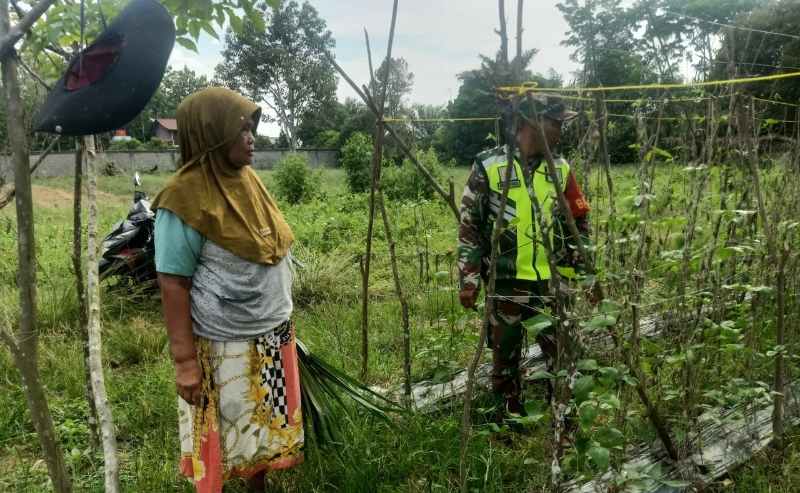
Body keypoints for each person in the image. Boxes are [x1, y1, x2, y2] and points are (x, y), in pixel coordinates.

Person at [152, 87, 303, 493]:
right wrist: (185, 362)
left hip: (272, 335)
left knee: (264, 431)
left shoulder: (248, 181)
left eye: (252, 128)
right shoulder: (183, 198)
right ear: (212, 133)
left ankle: (258, 487)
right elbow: (173, 281)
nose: (251, 138)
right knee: (223, 433)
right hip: (223, 346)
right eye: (241, 130)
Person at [457, 96, 591, 420]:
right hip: (505, 282)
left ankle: (563, 421)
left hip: (552, 282)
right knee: (505, 359)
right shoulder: (489, 166)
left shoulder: (561, 168)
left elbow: (579, 220)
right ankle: (509, 424)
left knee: (562, 354)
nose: (561, 131)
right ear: (533, 122)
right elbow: (469, 227)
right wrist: (470, 277)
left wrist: (583, 268)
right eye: (556, 123)